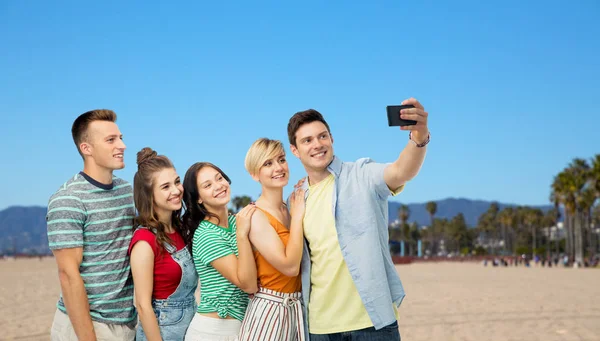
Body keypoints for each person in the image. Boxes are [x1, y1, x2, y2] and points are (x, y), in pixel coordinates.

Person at [287, 98, 430, 340]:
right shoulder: (297, 201)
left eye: (322, 136)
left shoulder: (362, 174)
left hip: (372, 323)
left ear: (332, 139)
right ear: (295, 150)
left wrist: (419, 136)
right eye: (307, 140)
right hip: (320, 328)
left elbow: (401, 171)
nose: (317, 144)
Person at [46, 109, 136, 340]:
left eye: (121, 138)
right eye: (111, 140)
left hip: (127, 323)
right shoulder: (68, 200)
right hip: (85, 325)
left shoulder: (127, 191)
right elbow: (68, 275)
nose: (122, 145)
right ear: (87, 149)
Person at [238, 138, 306, 341]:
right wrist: (299, 216)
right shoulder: (256, 216)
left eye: (281, 160)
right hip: (270, 310)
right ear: (254, 174)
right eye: (268, 163)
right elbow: (290, 266)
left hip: (295, 308)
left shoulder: (289, 208)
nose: (278, 167)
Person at [181, 162, 258, 341]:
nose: (218, 186)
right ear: (198, 198)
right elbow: (248, 285)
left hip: (241, 325)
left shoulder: (235, 222)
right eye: (207, 185)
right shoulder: (206, 234)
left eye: (220, 178)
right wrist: (241, 235)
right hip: (214, 331)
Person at [128, 148, 198, 340]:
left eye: (176, 182)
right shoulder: (144, 240)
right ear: (149, 194)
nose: (176, 190)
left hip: (190, 329)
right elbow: (143, 306)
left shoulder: (181, 229)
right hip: (163, 333)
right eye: (165, 187)